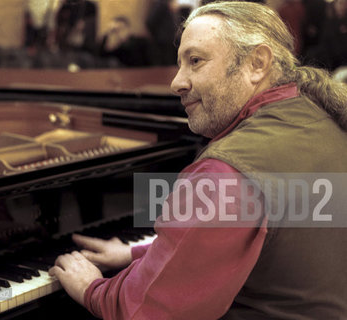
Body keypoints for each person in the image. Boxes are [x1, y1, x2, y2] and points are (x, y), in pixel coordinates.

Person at [49, 2, 347, 319]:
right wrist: (137, 252)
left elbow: (149, 311)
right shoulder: (320, 117)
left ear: (257, 64)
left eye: (195, 61)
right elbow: (248, 236)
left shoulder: (226, 171)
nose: (177, 82)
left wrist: (92, 289)